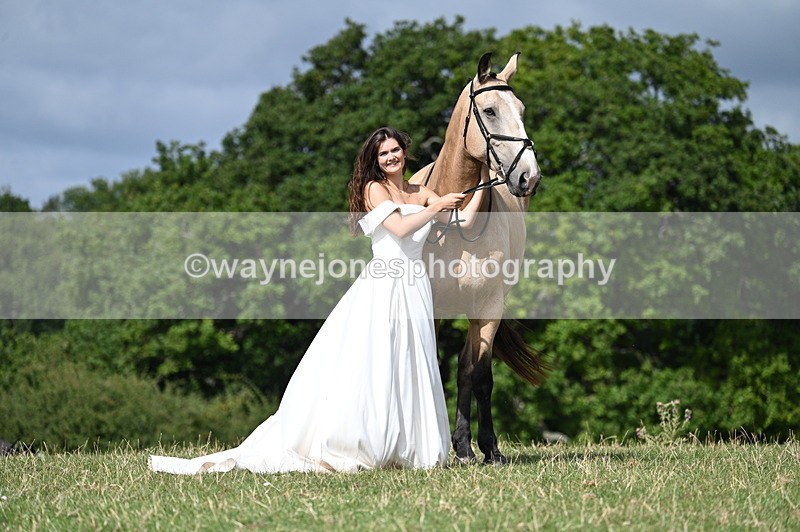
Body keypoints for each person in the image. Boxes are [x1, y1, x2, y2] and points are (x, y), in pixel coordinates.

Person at [149, 126, 487, 474]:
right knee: (377, 360)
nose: (391, 157)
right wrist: (438, 206)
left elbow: (463, 218)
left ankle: (408, 446)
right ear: (375, 159)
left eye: (395, 150)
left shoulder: (421, 191)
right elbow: (400, 230)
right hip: (384, 286)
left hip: (415, 286)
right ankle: (364, 442)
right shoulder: (374, 190)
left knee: (410, 360)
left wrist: (482, 183)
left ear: (405, 152)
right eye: (384, 153)